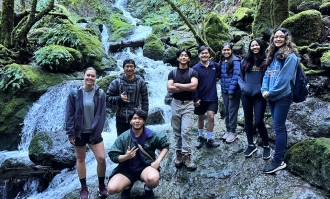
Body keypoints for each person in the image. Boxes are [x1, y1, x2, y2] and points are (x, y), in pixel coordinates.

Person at [107, 108, 169, 199]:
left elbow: (165, 145)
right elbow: (113, 155)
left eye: (140, 118)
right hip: (126, 170)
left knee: (154, 178)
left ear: (144, 121)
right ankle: (127, 186)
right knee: (111, 189)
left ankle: (148, 189)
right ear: (130, 121)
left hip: (145, 168)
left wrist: (158, 161)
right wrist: (125, 157)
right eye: (134, 118)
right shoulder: (123, 137)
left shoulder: (151, 134)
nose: (137, 121)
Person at [261, 27, 299, 174]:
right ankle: (282, 150)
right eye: (275, 37)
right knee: (280, 126)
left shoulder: (291, 57)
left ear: (286, 38)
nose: (278, 39)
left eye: (281, 37)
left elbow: (284, 79)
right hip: (271, 96)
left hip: (282, 96)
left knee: (278, 127)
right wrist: (264, 90)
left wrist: (270, 92)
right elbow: (267, 75)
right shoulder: (273, 54)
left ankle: (277, 160)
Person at [65, 67, 107, 199]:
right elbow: (69, 114)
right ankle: (84, 187)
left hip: (94, 132)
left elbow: (102, 113)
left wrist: (98, 130)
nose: (90, 78)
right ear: (83, 75)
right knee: (81, 159)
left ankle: (101, 185)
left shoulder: (100, 94)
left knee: (101, 158)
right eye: (88, 75)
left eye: (92, 76)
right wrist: (71, 133)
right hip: (79, 132)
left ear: (96, 78)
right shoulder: (74, 93)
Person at [167, 49, 198, 171]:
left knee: (186, 131)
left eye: (186, 56)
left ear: (189, 59)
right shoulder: (172, 73)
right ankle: (178, 155)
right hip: (176, 104)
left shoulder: (193, 72)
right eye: (181, 55)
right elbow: (169, 88)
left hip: (188, 105)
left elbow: (194, 86)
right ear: (178, 58)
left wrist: (177, 85)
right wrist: (186, 87)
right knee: (177, 131)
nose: (184, 57)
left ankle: (187, 156)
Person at [240, 38, 271, 159]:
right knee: (248, 121)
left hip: (260, 95)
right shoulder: (245, 60)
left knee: (258, 121)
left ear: (261, 46)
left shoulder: (266, 61)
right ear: (250, 47)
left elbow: (269, 77)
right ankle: (251, 144)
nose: (254, 47)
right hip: (246, 94)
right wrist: (243, 88)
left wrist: (265, 90)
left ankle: (266, 145)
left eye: (257, 45)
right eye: (252, 46)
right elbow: (239, 77)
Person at [106, 58, 149, 136]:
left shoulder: (141, 82)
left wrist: (144, 115)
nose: (129, 69)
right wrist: (119, 98)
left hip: (137, 117)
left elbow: (145, 100)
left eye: (131, 66)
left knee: (138, 141)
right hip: (121, 118)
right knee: (122, 141)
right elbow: (107, 98)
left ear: (134, 68)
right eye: (127, 66)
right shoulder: (116, 82)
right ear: (123, 68)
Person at [192, 46, 221, 149]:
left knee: (211, 116)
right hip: (200, 98)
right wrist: (195, 98)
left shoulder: (215, 66)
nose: (204, 55)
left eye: (206, 53)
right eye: (202, 53)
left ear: (209, 54)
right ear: (199, 55)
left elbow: (225, 70)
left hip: (212, 96)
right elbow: (193, 85)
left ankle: (209, 138)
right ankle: (200, 136)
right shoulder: (195, 68)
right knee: (200, 117)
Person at [219, 42, 241, 143]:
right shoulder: (222, 60)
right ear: (222, 51)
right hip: (224, 91)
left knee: (232, 111)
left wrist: (231, 92)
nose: (226, 52)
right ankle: (228, 130)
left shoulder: (235, 61)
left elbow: (236, 77)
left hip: (234, 91)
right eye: (224, 50)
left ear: (231, 50)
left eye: (228, 50)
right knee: (227, 111)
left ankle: (233, 132)